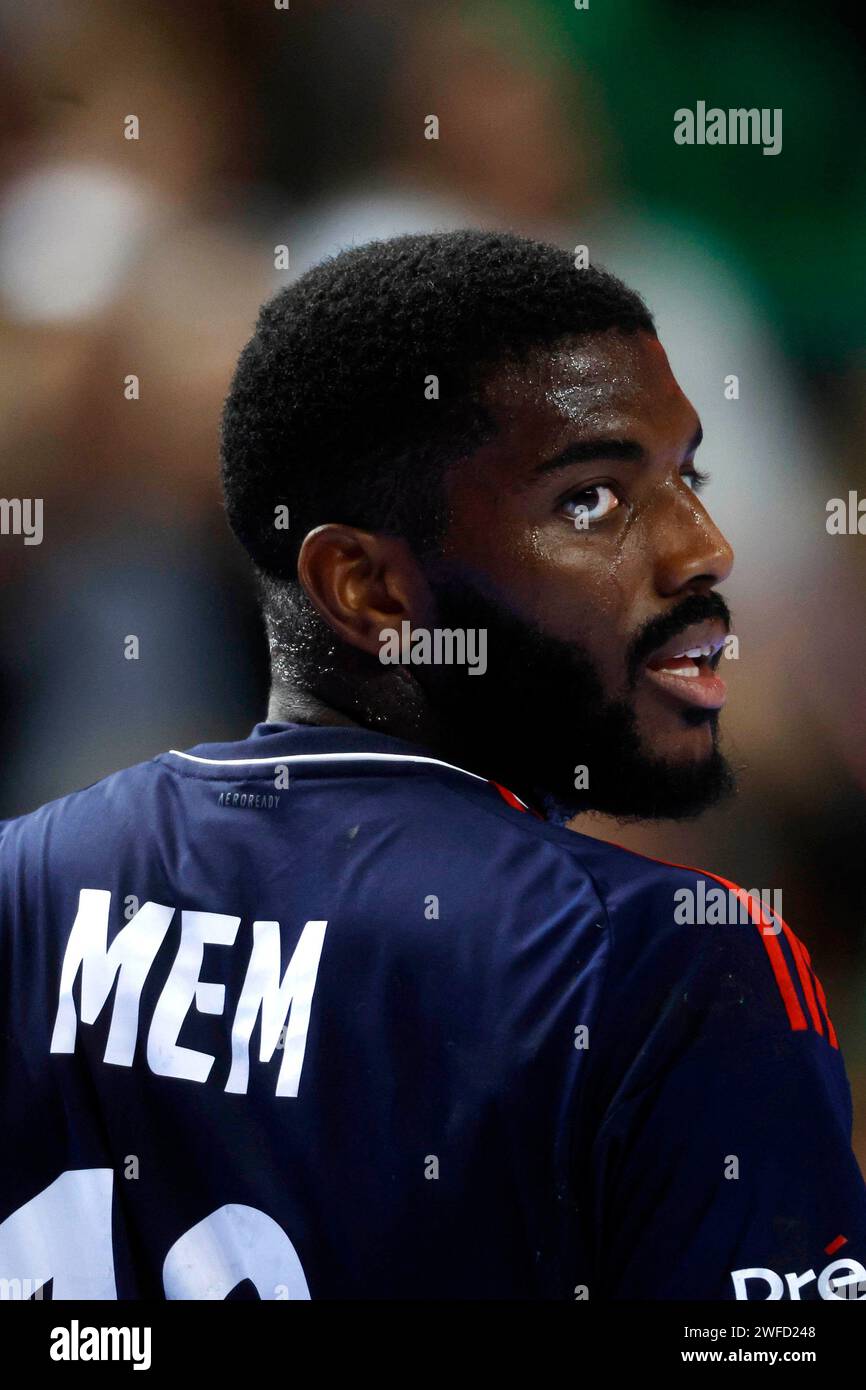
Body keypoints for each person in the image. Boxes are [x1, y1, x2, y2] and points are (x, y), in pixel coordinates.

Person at [1, 230, 863, 1300]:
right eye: (591, 499)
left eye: (687, 476)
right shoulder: (665, 964)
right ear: (367, 590)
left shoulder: (24, 882)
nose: (703, 547)